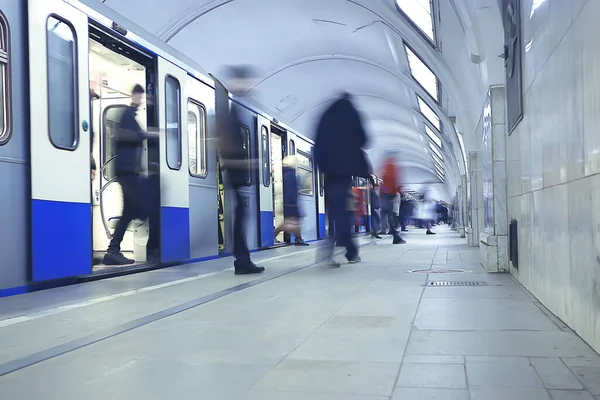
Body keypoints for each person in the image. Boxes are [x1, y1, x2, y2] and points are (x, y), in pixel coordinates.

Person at [102, 84, 160, 265]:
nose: (141, 100)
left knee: (129, 211)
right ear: (134, 96)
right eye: (139, 97)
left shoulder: (130, 115)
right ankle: (114, 250)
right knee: (142, 206)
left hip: (129, 171)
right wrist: (147, 134)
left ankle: (113, 251)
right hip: (126, 171)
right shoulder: (127, 115)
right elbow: (126, 135)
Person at [315, 92, 370, 265]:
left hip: (328, 173)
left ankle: (340, 251)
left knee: (335, 213)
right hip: (344, 174)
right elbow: (363, 140)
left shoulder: (325, 116)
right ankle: (350, 252)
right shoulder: (352, 115)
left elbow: (317, 143)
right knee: (343, 214)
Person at [219, 66, 264, 275]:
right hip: (235, 174)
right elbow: (227, 148)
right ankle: (242, 261)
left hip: (236, 173)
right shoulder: (231, 114)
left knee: (239, 217)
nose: (248, 86)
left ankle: (242, 260)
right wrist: (248, 164)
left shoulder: (235, 110)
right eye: (244, 81)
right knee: (238, 219)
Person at [274, 155, 309, 246]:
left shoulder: (286, 173)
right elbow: (291, 190)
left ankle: (298, 239)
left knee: (294, 222)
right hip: (291, 203)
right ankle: (273, 235)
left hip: (290, 202)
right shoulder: (290, 174)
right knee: (290, 223)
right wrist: (292, 203)